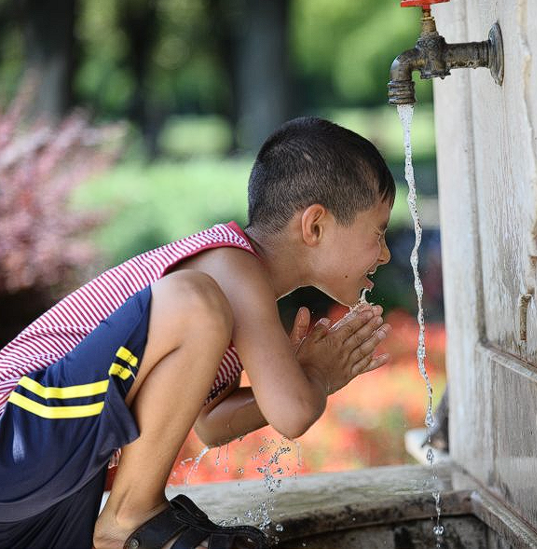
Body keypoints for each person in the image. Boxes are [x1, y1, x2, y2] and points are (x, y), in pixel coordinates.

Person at [0, 117, 395, 549]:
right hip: (16, 433)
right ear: (314, 225)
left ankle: (127, 516)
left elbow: (212, 424)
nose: (386, 253)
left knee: (199, 305)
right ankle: (130, 516)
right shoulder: (229, 267)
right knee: (192, 299)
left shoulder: (238, 297)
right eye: (378, 232)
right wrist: (314, 377)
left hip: (44, 492)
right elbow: (293, 413)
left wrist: (303, 372)